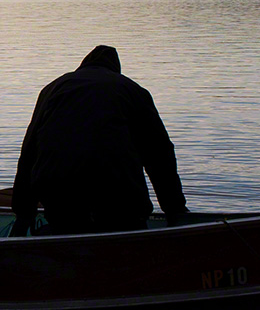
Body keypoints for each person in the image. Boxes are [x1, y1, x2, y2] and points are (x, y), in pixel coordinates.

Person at [10, 45, 187, 236]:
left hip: (59, 195)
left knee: (64, 222)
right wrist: (174, 209)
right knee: (126, 223)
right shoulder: (132, 90)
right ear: (115, 69)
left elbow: (29, 151)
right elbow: (159, 155)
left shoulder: (53, 89)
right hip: (119, 196)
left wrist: (23, 214)